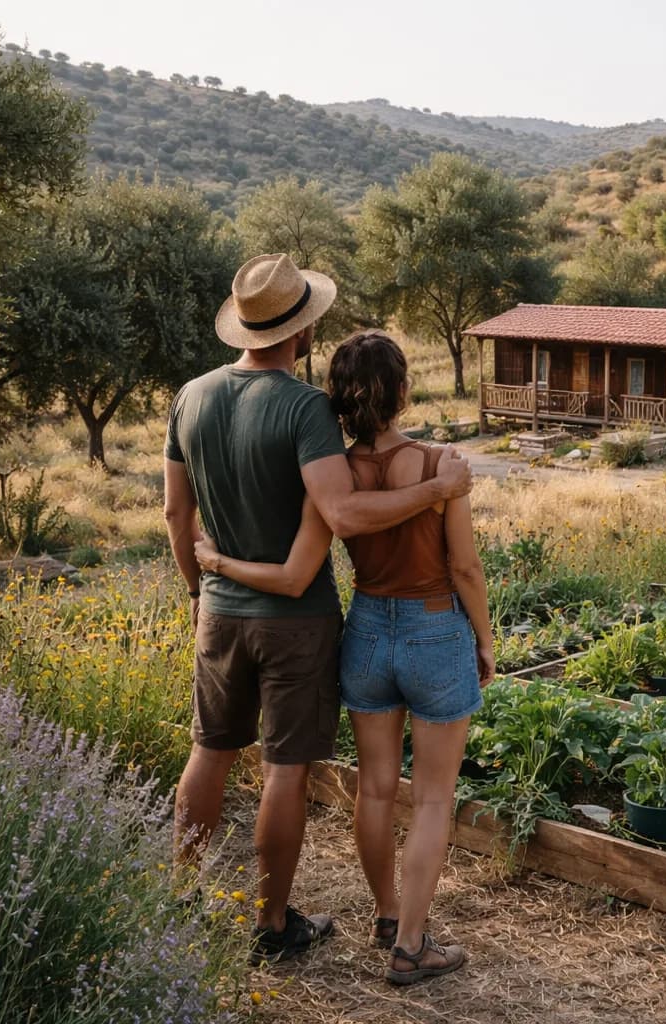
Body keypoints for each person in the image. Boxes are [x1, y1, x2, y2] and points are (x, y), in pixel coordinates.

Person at [163, 255, 472, 966]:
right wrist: (436, 490)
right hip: (295, 619)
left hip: (220, 611)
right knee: (284, 769)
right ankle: (273, 923)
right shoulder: (304, 408)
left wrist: (197, 588)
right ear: (301, 333)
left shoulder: (191, 395)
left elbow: (177, 513)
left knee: (209, 749)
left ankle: (180, 895)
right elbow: (343, 513)